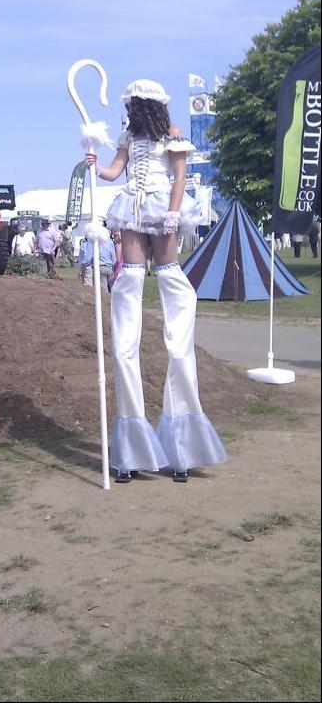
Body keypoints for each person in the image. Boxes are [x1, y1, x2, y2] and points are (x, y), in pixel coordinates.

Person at [86, 78, 227, 484]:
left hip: (163, 208)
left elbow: (180, 176)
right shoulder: (129, 137)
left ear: (145, 105)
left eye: (132, 104)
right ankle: (132, 448)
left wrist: (174, 212)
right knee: (129, 288)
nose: (128, 110)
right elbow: (115, 171)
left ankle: (182, 443)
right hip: (132, 209)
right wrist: (93, 161)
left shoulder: (172, 134)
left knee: (172, 290)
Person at [82, 226, 117, 292]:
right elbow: (114, 258)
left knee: (102, 290)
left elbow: (88, 257)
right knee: (108, 288)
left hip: (99, 267)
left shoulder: (93, 240)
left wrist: (85, 264)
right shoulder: (110, 241)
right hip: (109, 268)